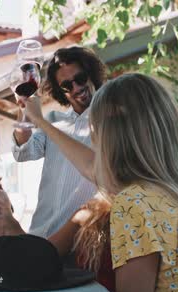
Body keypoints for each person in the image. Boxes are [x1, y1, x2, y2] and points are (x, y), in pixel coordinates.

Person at [22, 73, 178, 292]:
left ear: (108, 139)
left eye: (95, 131)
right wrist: (39, 121)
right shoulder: (175, 191)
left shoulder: (134, 203)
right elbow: (94, 169)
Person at [12, 46, 107, 238]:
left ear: (91, 74)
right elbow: (22, 152)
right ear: (60, 92)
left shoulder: (110, 118)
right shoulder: (54, 119)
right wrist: (24, 110)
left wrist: (39, 120)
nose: (77, 88)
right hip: (40, 233)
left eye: (80, 79)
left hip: (82, 239)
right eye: (67, 86)